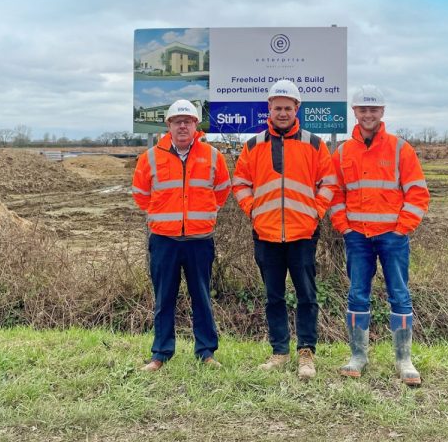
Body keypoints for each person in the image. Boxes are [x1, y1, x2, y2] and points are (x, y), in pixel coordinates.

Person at [232, 79, 337, 380]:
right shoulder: (253, 145)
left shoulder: (315, 143)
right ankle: (279, 352)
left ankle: (306, 353)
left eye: (287, 108)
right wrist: (252, 209)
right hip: (265, 233)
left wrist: (316, 212)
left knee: (307, 295)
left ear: (297, 109)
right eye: (277, 107)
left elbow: (328, 183)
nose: (282, 112)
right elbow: (239, 183)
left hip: (303, 233)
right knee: (273, 296)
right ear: (269, 108)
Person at [329, 85, 430, 386]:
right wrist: (343, 226)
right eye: (363, 109)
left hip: (392, 237)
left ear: (382, 112)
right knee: (357, 293)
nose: (368, 114)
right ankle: (358, 356)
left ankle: (403, 360)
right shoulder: (344, 151)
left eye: (373, 109)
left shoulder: (401, 149)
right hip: (357, 236)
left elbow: (417, 192)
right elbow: (334, 192)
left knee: (399, 294)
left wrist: (403, 227)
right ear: (355, 112)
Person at [132, 99, 231, 371]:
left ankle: (206, 352)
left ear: (196, 125)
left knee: (202, 297)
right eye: (178, 121)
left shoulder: (213, 156)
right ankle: (160, 354)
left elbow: (222, 190)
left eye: (188, 121)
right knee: (164, 299)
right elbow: (141, 195)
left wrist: (205, 213)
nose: (183, 125)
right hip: (164, 241)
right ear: (169, 126)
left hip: (200, 240)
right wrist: (162, 213)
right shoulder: (150, 157)